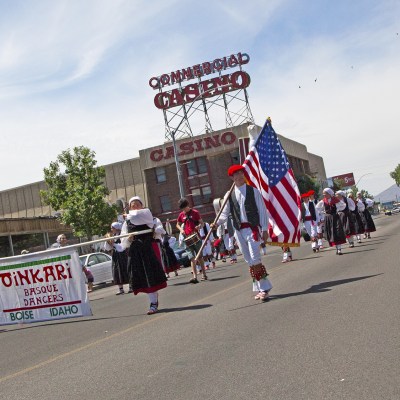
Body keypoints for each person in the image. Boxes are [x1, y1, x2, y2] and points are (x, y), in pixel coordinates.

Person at [212, 165, 272, 301]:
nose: (239, 177)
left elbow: (262, 210)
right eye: (236, 175)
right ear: (232, 178)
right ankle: (259, 286)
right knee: (248, 259)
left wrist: (264, 229)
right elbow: (224, 213)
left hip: (253, 229)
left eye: (240, 174)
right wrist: (216, 223)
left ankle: (264, 288)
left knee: (255, 258)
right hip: (239, 230)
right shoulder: (229, 194)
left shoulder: (253, 191)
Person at [113, 196, 167, 315]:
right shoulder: (127, 222)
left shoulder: (149, 217)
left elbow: (159, 230)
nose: (135, 206)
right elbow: (123, 241)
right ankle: (153, 299)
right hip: (136, 250)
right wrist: (129, 238)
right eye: (133, 205)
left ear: (142, 205)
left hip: (148, 249)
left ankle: (153, 303)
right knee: (143, 277)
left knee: (150, 275)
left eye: (138, 204)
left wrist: (156, 230)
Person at [176, 198, 208, 283]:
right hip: (187, 238)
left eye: (184, 207)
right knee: (192, 258)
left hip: (196, 237)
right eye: (182, 208)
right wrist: (181, 230)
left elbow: (202, 223)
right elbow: (177, 224)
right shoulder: (181, 215)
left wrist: (199, 226)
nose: (184, 210)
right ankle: (194, 277)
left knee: (200, 257)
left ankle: (204, 274)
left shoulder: (195, 212)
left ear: (187, 205)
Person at [104, 222, 130, 295]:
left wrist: (114, 244)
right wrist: (107, 242)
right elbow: (107, 248)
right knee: (117, 270)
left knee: (126, 268)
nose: (111, 229)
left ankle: (131, 286)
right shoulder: (112, 236)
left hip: (123, 254)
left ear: (117, 228)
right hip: (116, 255)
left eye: (113, 228)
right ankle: (121, 288)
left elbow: (123, 245)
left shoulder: (122, 235)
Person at [321, 188, 347, 255]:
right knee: (331, 233)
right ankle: (337, 248)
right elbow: (317, 208)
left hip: (335, 217)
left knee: (337, 232)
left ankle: (339, 249)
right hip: (328, 218)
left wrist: (338, 210)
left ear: (329, 193)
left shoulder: (335, 200)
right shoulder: (323, 201)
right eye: (323, 194)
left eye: (325, 193)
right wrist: (323, 212)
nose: (324, 195)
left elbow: (343, 205)